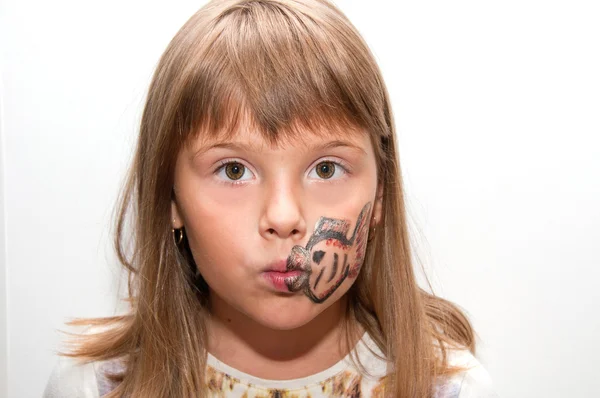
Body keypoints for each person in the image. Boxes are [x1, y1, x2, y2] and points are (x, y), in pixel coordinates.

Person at [43, 0, 499, 397]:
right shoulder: (94, 387)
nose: (283, 217)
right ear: (171, 199)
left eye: (325, 169)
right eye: (234, 170)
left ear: (380, 193)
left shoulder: (448, 389)